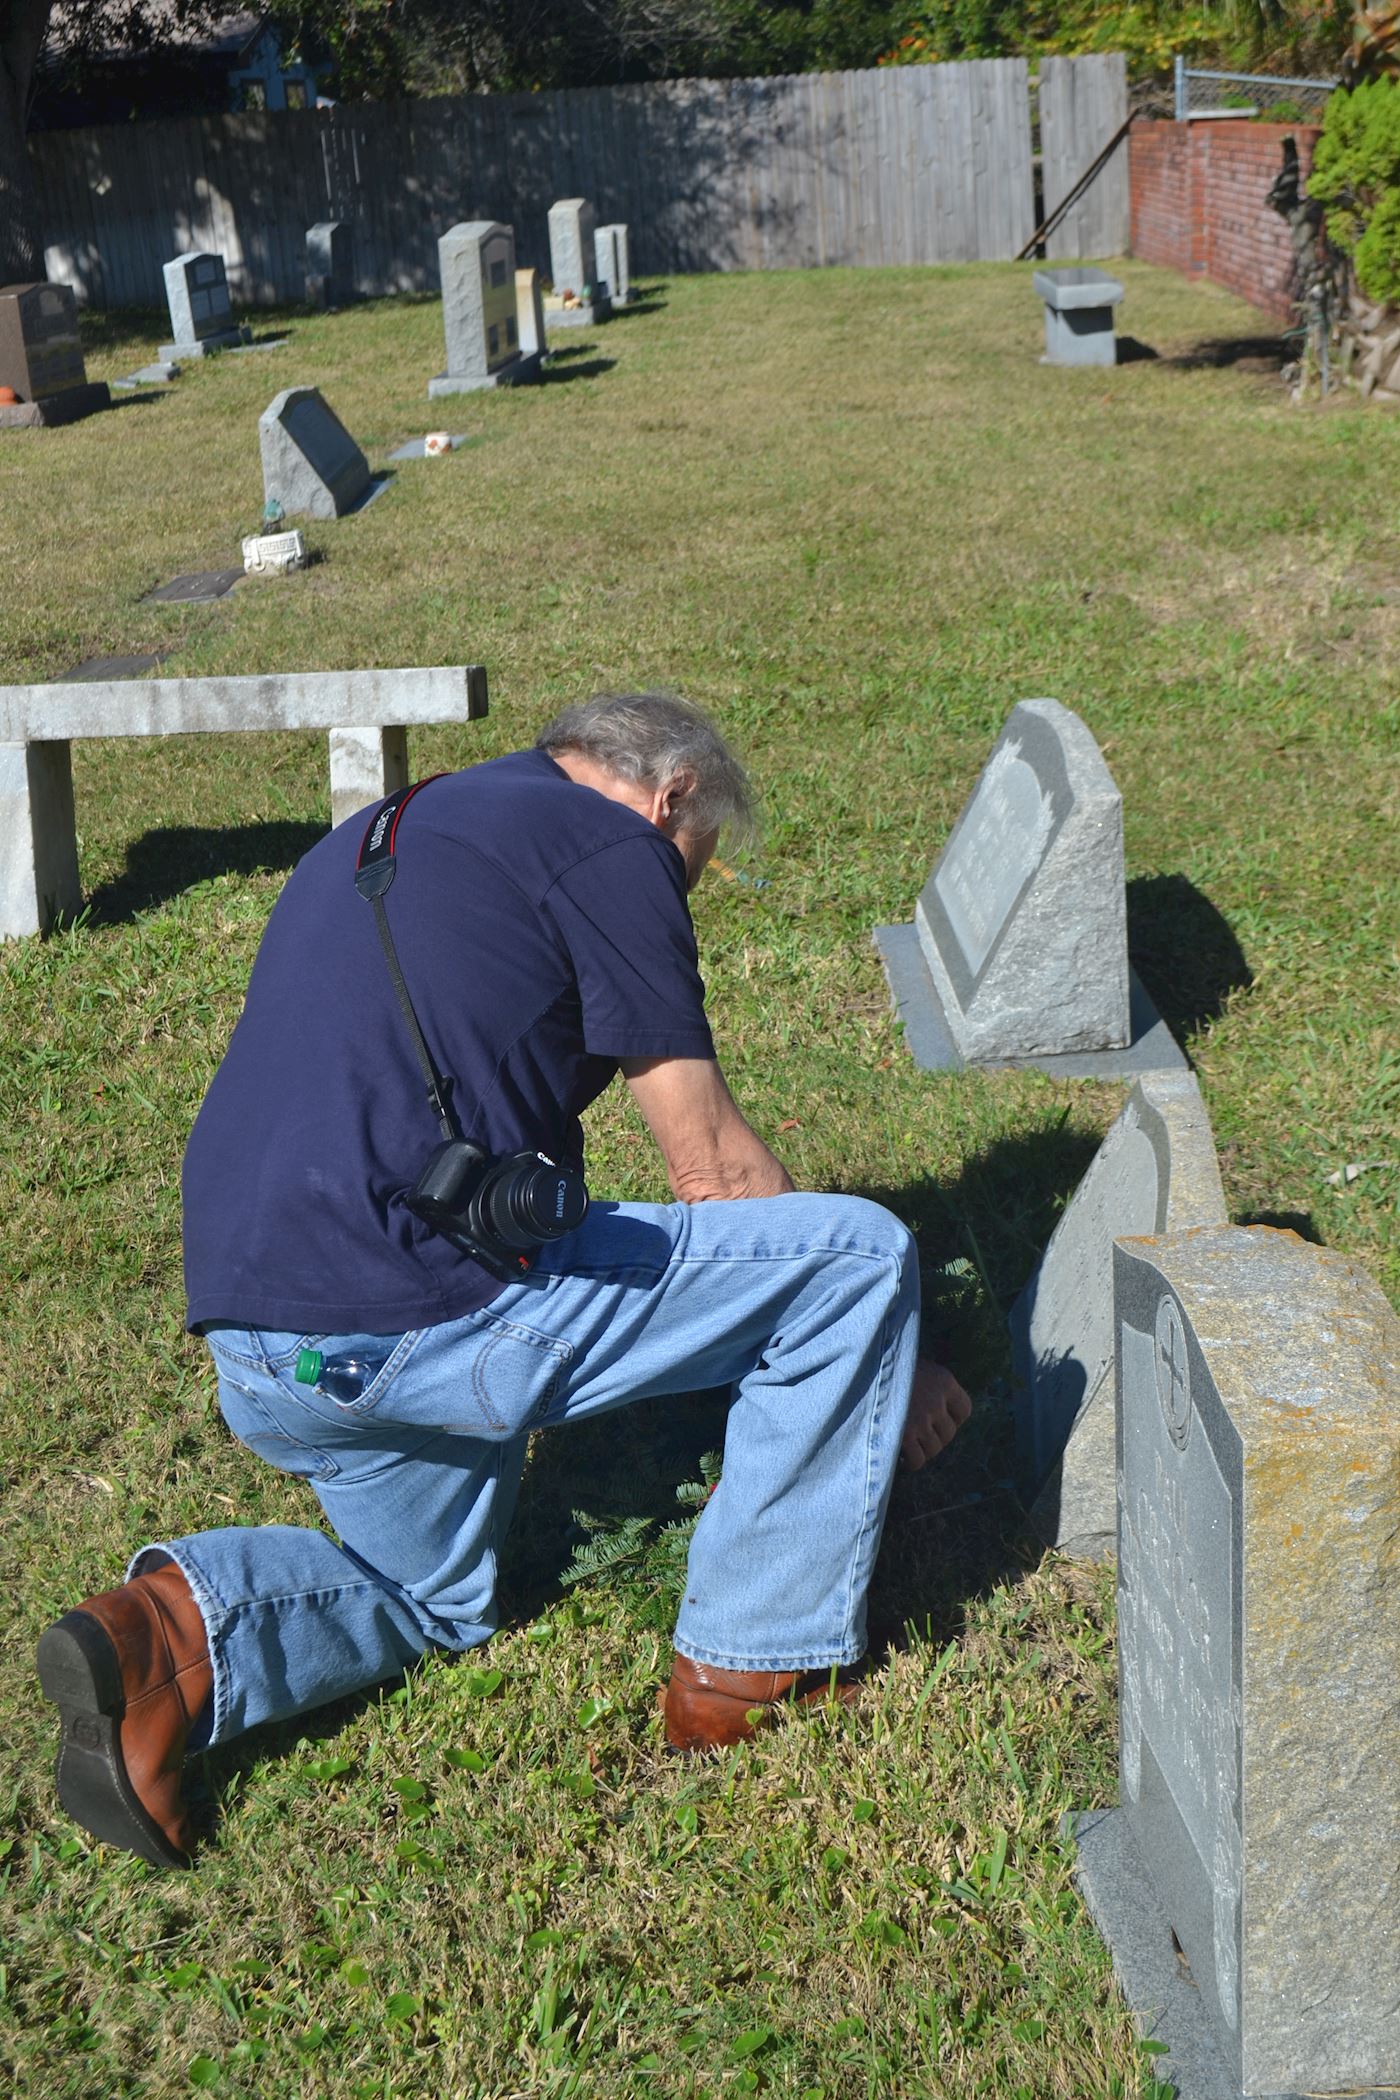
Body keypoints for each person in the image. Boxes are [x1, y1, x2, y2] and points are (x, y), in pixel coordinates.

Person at [37, 692, 970, 1870]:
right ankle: (750, 1664)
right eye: (693, 867)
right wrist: (902, 1360)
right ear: (669, 795)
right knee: (853, 1259)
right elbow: (714, 1167)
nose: (675, 892)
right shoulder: (613, 844)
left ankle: (168, 1640)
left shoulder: (382, 830)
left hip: (260, 1338)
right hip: (426, 1313)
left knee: (431, 1599)